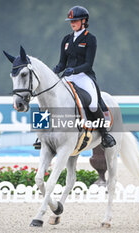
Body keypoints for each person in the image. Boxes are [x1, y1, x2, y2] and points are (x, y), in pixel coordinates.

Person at [53, 6, 116, 148]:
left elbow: (88, 64)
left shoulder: (90, 39)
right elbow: (62, 63)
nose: (72, 23)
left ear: (83, 21)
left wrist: (74, 70)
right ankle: (44, 135)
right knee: (52, 97)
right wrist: (55, 70)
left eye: (75, 20)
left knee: (93, 104)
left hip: (84, 76)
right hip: (68, 76)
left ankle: (104, 134)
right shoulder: (66, 39)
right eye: (71, 21)